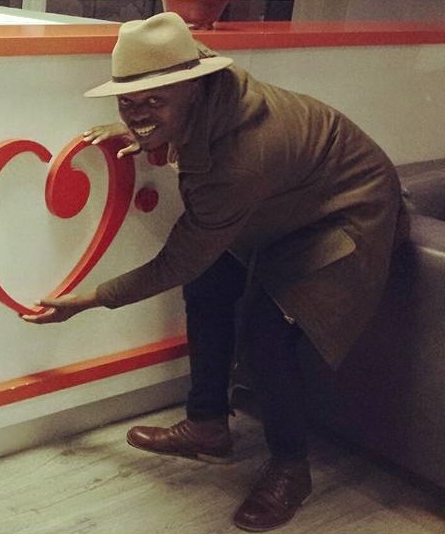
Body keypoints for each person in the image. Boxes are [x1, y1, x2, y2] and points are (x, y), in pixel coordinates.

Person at [22, 12, 409, 532]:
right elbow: (180, 117)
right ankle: (207, 426)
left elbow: (178, 258)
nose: (139, 113)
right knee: (207, 286)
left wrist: (90, 299)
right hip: (288, 201)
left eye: (154, 101)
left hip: (346, 210)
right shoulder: (207, 90)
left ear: (193, 87)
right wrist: (150, 128)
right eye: (128, 102)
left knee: (266, 338)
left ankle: (291, 470)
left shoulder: (240, 158)